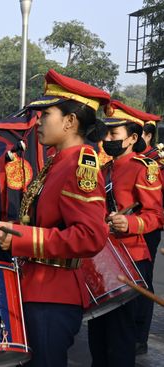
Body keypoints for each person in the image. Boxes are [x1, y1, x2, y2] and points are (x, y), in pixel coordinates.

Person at [0, 69, 111, 367]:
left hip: (55, 296)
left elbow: (90, 236)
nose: (38, 122)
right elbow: (40, 221)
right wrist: (8, 231)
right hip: (35, 288)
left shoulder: (80, 164)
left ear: (70, 121)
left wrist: (21, 238)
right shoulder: (55, 162)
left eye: (45, 114)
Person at [87, 100, 163, 366]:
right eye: (106, 134)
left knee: (120, 338)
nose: (107, 139)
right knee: (97, 335)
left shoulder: (143, 168)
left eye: (113, 134)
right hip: (104, 258)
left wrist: (129, 224)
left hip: (131, 258)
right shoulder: (104, 169)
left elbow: (156, 216)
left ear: (132, 138)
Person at [136, 116, 163, 355]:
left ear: (147, 136)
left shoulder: (155, 163)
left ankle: (139, 336)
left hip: (147, 231)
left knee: (143, 284)